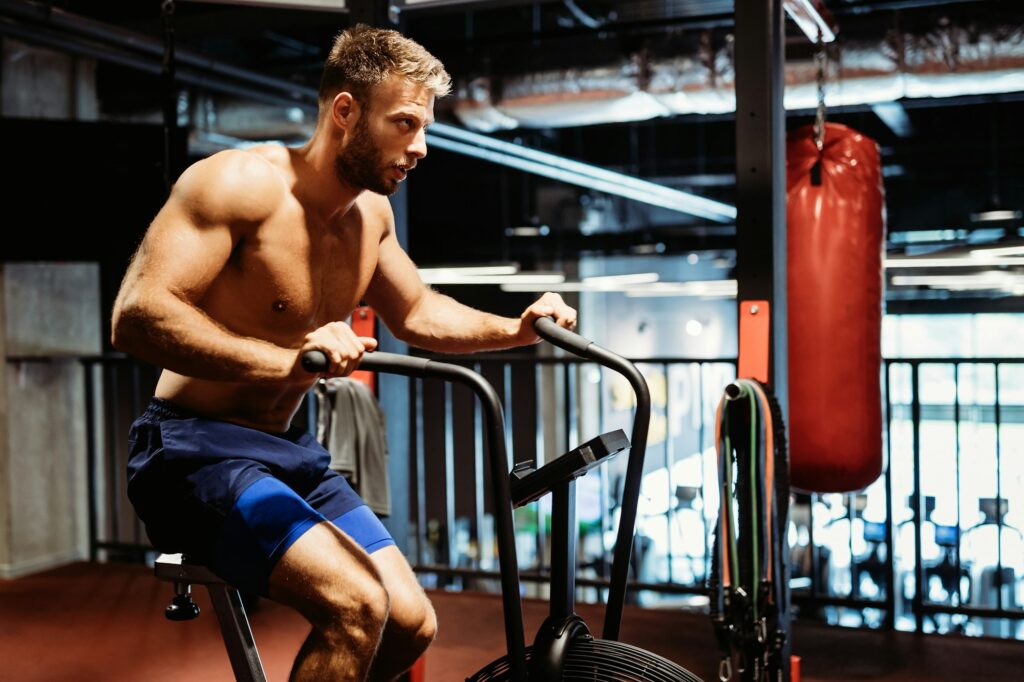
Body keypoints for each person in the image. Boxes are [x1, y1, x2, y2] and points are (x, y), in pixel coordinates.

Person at [111, 24, 576, 682]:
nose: (418, 147)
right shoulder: (238, 184)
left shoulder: (369, 220)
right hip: (190, 450)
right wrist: (286, 360)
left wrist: (517, 327)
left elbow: (415, 310)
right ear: (347, 111)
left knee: (411, 622)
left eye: (425, 128)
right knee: (356, 605)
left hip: (286, 451)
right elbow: (138, 316)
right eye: (405, 124)